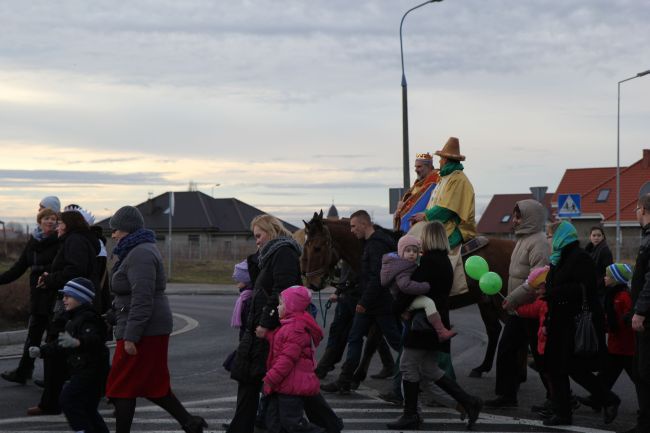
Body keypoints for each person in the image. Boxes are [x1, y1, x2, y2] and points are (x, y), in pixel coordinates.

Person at [104, 206, 206, 433]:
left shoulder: (140, 254)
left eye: (116, 230)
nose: (113, 234)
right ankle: (190, 423)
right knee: (152, 384)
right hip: (143, 327)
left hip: (144, 331)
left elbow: (143, 298)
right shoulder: (134, 251)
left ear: (128, 230)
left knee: (121, 387)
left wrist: (131, 336)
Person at [387, 221, 482, 430]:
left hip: (423, 323)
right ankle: (468, 402)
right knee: (429, 369)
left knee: (407, 366)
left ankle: (411, 415)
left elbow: (409, 291)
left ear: (429, 238)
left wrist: (395, 309)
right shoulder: (445, 261)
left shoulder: (429, 262)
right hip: (436, 320)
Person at [228, 214, 302, 433]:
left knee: (274, 383)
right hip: (259, 329)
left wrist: (266, 322)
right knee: (250, 381)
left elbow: (283, 290)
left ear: (272, 232)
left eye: (259, 236)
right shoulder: (269, 255)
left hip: (270, 331)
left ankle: (327, 424)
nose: (257, 241)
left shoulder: (284, 253)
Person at [543, 220, 620, 426]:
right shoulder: (557, 258)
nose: (548, 239)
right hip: (559, 321)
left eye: (550, 235)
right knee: (558, 367)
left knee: (571, 368)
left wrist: (552, 293)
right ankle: (564, 411)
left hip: (574, 322)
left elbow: (586, 289)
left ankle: (607, 399)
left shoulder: (580, 257)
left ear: (560, 236)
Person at [28, 209, 101, 416]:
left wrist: (50, 279)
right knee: (75, 351)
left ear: (68, 225)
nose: (56, 226)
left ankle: (52, 403)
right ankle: (57, 400)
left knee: (57, 348)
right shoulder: (77, 240)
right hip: (76, 303)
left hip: (73, 305)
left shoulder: (75, 241)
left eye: (60, 223)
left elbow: (75, 271)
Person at [321, 210, 401, 394]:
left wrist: (364, 302)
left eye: (353, 226)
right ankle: (345, 380)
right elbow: (365, 275)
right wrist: (345, 287)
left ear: (364, 224)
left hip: (379, 305)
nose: (351, 230)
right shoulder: (369, 244)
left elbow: (377, 278)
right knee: (355, 338)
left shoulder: (375, 246)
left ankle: (415, 372)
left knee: (397, 342)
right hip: (371, 302)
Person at [486, 199, 550, 409]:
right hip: (518, 309)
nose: (514, 220)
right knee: (507, 350)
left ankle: (559, 398)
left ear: (529, 218)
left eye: (517, 216)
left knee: (541, 358)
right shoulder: (522, 240)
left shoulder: (539, 242)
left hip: (531, 308)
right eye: (514, 216)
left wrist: (513, 298)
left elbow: (537, 279)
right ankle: (507, 395)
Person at [29, 277, 109, 433]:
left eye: (68, 296)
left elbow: (95, 339)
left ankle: (82, 430)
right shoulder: (73, 318)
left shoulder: (88, 318)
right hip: (85, 369)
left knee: (69, 400)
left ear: (80, 298)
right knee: (88, 408)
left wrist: (79, 342)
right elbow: (62, 343)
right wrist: (42, 351)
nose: (64, 299)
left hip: (91, 370)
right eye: (63, 296)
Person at [261, 285, 342, 433]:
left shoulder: (295, 327)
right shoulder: (289, 324)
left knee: (292, 423)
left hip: (291, 384)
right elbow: (282, 344)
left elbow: (287, 359)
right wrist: (267, 335)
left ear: (292, 306)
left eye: (281, 304)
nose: (278, 307)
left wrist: (270, 378)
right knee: (274, 423)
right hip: (282, 384)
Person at [0, 207, 59, 385]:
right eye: (47, 218)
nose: (50, 221)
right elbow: (19, 267)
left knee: (53, 338)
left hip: (54, 294)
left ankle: (53, 377)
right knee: (32, 336)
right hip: (37, 295)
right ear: (39, 221)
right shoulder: (33, 241)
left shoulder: (60, 241)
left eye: (54, 219)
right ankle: (23, 372)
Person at [578, 263, 635, 413]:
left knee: (638, 377)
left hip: (627, 346)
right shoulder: (612, 294)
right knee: (606, 375)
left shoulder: (623, 296)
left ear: (616, 279)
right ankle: (597, 399)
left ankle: (597, 398)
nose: (604, 277)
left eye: (608, 275)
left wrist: (611, 324)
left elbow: (627, 319)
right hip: (616, 345)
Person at [384, 234, 456, 341]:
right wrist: (424, 286)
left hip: (404, 299)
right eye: (408, 251)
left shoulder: (411, 263)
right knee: (428, 303)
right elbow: (405, 286)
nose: (412, 253)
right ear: (401, 252)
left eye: (414, 251)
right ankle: (441, 331)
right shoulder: (401, 267)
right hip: (402, 298)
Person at [625, 193, 650, 433]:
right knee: (640, 370)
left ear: (642, 208)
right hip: (643, 312)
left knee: (644, 371)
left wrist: (640, 311)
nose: (635, 212)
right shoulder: (646, 236)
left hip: (647, 316)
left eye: (636, 208)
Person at [514, 266, 551, 413]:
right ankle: (557, 402)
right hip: (544, 344)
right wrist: (517, 309)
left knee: (552, 375)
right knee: (549, 373)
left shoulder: (544, 301)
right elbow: (529, 310)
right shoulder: (541, 300)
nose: (536, 292)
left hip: (548, 344)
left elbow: (531, 309)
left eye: (538, 289)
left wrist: (515, 308)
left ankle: (559, 403)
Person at [393, 153, 439, 232]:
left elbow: (421, 205)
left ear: (429, 167)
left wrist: (403, 208)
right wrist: (399, 210)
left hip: (425, 228)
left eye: (419, 167)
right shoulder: (417, 184)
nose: (416, 170)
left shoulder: (436, 181)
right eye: (415, 167)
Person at [585, 226, 613, 300]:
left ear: (603, 237)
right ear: (590, 237)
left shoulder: (605, 251)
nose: (596, 238)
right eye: (594, 235)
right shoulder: (589, 250)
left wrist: (598, 285)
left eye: (599, 235)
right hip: (591, 288)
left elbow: (608, 272)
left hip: (600, 290)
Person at [230, 260, 253, 341]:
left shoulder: (248, 298)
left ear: (246, 281)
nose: (237, 285)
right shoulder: (245, 295)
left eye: (238, 281)